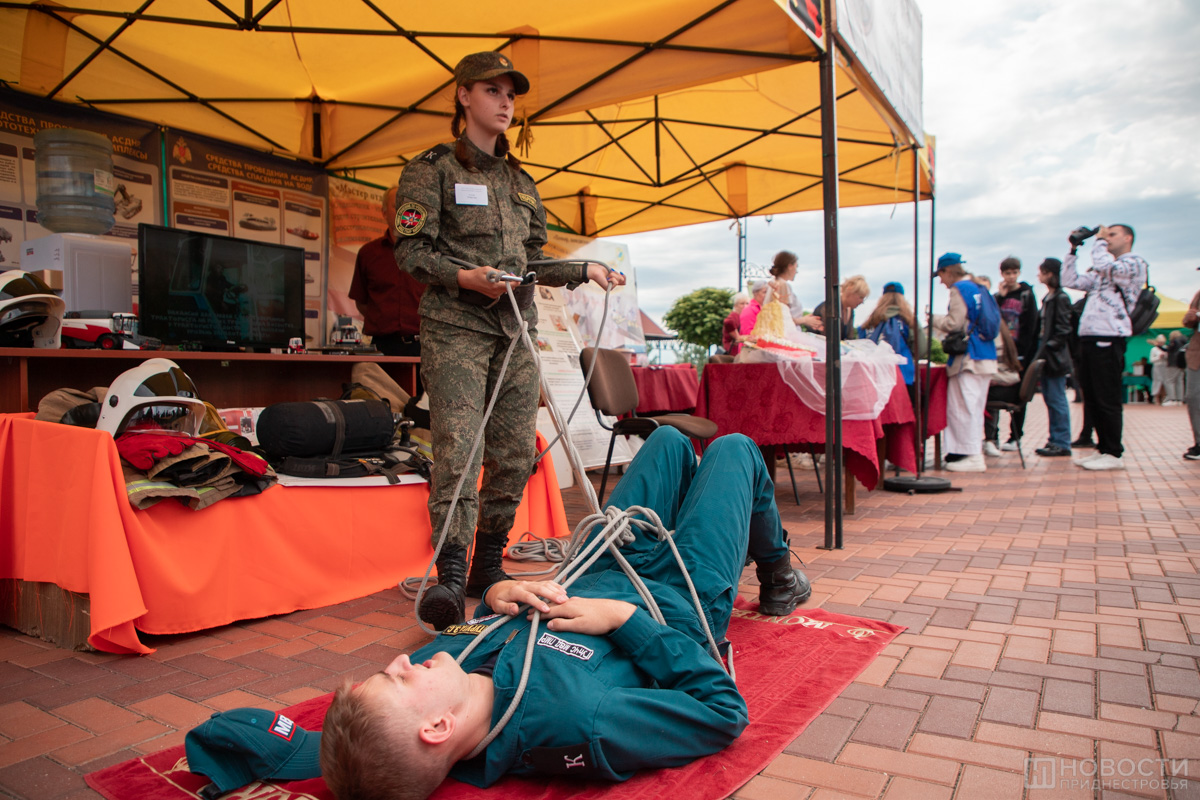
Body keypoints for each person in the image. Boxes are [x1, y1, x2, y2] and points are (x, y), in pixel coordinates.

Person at [318, 427, 812, 800]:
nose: (400, 662)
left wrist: (497, 594)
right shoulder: (579, 722)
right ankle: (779, 575)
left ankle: (750, 549)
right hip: (678, 597)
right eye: (397, 680)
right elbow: (723, 712)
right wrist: (626, 622)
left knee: (668, 441)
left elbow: (477, 624)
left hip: (600, 559)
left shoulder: (449, 661)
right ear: (437, 728)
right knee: (734, 448)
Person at [394, 51, 625, 630]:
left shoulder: (521, 183)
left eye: (511, 94)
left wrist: (584, 269)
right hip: (456, 328)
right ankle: (450, 573)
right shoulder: (431, 169)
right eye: (492, 90)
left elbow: (533, 261)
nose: (504, 102)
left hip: (516, 330)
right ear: (463, 95)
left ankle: (486, 565)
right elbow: (411, 251)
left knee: (517, 452)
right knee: (459, 449)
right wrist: (463, 277)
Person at [1061, 224, 1148, 470]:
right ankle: (1102, 448)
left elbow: (1106, 266)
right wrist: (1073, 250)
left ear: (1128, 238)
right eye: (1105, 235)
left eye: (1112, 235)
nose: (1106, 239)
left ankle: (1114, 452)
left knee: (1107, 396)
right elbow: (1070, 280)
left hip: (1110, 336)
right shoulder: (1103, 270)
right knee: (1092, 397)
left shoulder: (1133, 263)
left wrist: (1098, 241)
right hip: (1089, 337)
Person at [931, 253, 997, 473]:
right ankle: (971, 452)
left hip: (968, 357)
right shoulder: (979, 287)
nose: (941, 281)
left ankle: (971, 455)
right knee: (974, 407)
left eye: (941, 275)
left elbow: (954, 323)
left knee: (962, 407)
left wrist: (932, 318)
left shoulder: (959, 289)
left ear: (947, 271)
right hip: (985, 354)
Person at [349, 187, 426, 358]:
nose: (402, 211)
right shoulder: (368, 253)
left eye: (407, 206)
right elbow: (362, 302)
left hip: (424, 346)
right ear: (384, 213)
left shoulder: (428, 254)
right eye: (396, 206)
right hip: (382, 347)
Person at [993, 256, 1039, 451]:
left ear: (1019, 273)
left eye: (1014, 272)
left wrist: (1024, 354)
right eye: (1007, 273)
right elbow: (992, 318)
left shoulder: (1026, 294)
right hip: (1000, 352)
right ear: (1002, 274)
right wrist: (1000, 297)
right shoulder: (999, 296)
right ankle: (992, 436)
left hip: (1020, 352)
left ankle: (1015, 436)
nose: (1011, 276)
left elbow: (1032, 325)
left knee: (1019, 395)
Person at [1033, 258, 1074, 457]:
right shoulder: (1049, 298)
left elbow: (1063, 329)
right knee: (1051, 398)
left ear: (1049, 273)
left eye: (1041, 272)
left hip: (1054, 356)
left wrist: (1049, 347)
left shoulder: (1060, 298)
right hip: (1047, 353)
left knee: (1057, 399)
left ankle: (1061, 441)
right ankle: (1055, 439)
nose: (1039, 275)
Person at [857, 280, 917, 385]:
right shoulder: (908, 320)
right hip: (903, 373)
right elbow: (921, 347)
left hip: (875, 375)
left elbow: (862, 343)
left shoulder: (871, 321)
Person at [982, 325, 1021, 457]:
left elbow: (988, 370)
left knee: (976, 395)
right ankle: (991, 439)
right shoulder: (1003, 331)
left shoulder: (993, 335)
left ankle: (989, 440)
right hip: (1011, 385)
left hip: (1005, 385)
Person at [768, 250, 820, 328]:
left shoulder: (775, 283)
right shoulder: (782, 285)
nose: (796, 271)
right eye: (796, 267)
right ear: (790, 266)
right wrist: (804, 320)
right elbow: (783, 318)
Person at [809, 275, 870, 340]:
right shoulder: (829, 308)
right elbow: (827, 338)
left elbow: (850, 338)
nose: (862, 302)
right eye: (861, 297)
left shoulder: (850, 310)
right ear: (850, 291)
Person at [1184, 274, 1200, 461]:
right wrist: (1191, 317)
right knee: (1193, 398)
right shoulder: (1199, 295)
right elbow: (1187, 321)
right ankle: (1199, 443)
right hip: (1197, 354)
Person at [1163, 331, 1187, 406]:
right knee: (1180, 381)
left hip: (1173, 363)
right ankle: (1180, 400)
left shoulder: (1174, 342)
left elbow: (1168, 350)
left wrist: (1158, 346)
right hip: (1182, 363)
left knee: (1169, 381)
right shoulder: (1184, 342)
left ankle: (1172, 399)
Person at [1149, 333, 1170, 404]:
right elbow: (1151, 360)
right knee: (1157, 382)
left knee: (1165, 382)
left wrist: (1165, 356)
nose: (1161, 343)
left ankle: (1164, 397)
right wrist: (1159, 357)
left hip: (1165, 367)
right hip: (1157, 367)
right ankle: (1156, 397)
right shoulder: (1154, 349)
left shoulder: (1166, 348)